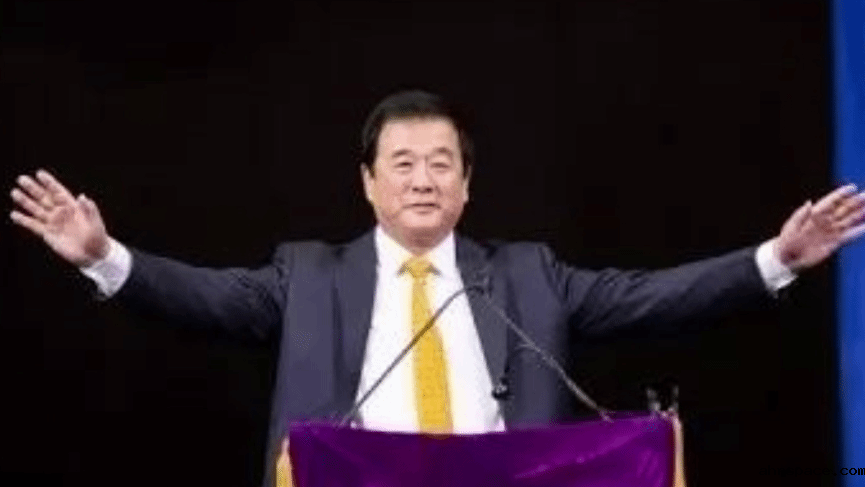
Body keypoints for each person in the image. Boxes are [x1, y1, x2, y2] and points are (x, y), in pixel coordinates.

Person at [9, 90, 865, 487]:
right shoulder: (308, 274)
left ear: (465, 185)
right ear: (368, 183)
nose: (422, 180)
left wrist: (777, 256)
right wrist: (104, 254)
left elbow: (651, 297)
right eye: (403, 164)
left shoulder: (526, 273)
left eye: (440, 164)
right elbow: (203, 299)